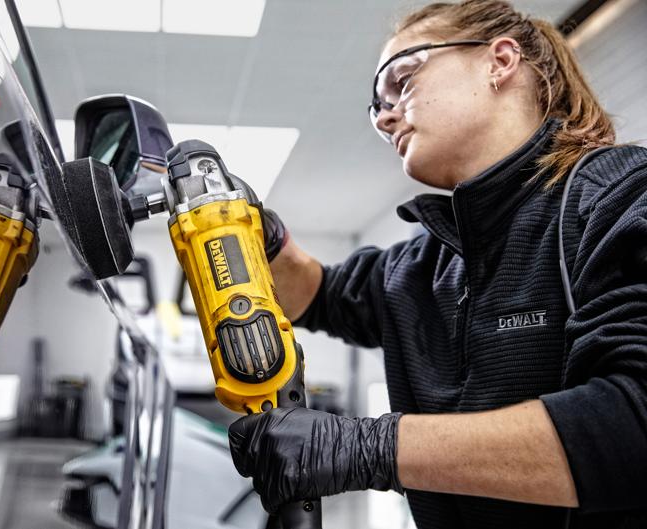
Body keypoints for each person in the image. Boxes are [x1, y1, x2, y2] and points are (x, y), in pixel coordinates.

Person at [229, 1, 647, 527]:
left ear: (500, 61)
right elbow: (319, 294)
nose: (383, 117)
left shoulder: (618, 195)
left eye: (401, 80)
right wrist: (263, 242)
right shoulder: (421, 264)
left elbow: (633, 423)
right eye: (375, 106)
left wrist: (374, 449)